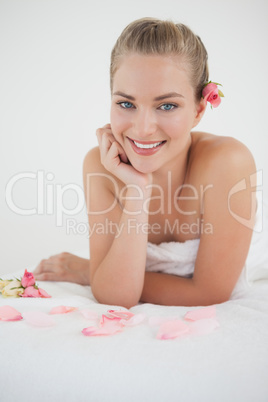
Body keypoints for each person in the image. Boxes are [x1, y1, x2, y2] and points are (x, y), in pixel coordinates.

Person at [33, 17, 259, 307]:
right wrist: (137, 192)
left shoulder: (228, 162)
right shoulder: (101, 165)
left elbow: (210, 293)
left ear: (199, 109)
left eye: (167, 106)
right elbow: (116, 296)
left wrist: (91, 271)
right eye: (126, 103)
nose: (142, 129)